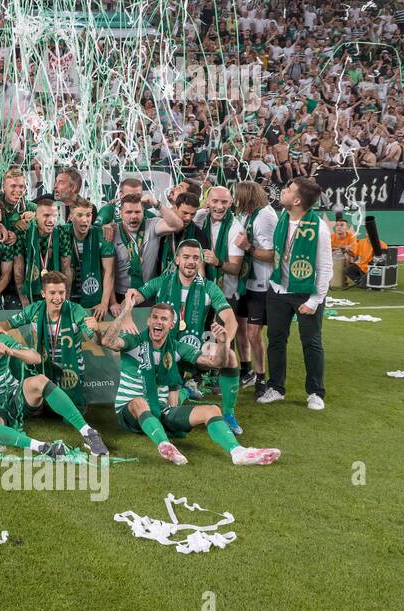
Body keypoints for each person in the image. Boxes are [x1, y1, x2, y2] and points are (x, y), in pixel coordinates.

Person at [103, 298, 280, 466]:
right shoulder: (133, 341)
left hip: (162, 410)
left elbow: (216, 363)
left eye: (164, 319)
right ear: (148, 321)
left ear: (171, 325)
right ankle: (165, 444)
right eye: (155, 317)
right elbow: (107, 340)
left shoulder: (177, 347)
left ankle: (238, 452)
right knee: (139, 402)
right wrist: (125, 312)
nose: (158, 322)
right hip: (129, 412)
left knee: (212, 409)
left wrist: (224, 343)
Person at [0, 304, 108, 456]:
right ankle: (43, 447)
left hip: (17, 398)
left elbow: (36, 358)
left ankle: (89, 432)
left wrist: (11, 351)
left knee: (39, 381)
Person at [128, 239, 243, 433]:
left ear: (200, 262)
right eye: (186, 257)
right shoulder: (162, 282)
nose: (191, 262)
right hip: (165, 348)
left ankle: (229, 414)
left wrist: (225, 341)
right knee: (163, 405)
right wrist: (128, 310)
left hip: (196, 347)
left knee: (230, 356)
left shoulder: (209, 287)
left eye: (196, 258)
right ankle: (184, 390)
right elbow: (134, 296)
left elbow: (231, 320)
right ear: (177, 260)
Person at [259, 176, 331, 410]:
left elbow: (325, 267)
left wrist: (315, 300)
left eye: (288, 190)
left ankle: (315, 392)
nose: (283, 191)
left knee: (311, 342)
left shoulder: (318, 227)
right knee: (276, 340)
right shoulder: (283, 219)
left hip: (305, 292)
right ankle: (276, 388)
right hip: (278, 288)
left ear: (297, 200)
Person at [0, 272, 95, 413]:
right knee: (33, 410)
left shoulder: (76, 311)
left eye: (61, 292)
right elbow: (8, 323)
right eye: (52, 293)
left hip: (70, 369)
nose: (58, 298)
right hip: (42, 365)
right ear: (43, 293)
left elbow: (96, 340)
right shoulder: (34, 309)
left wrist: (97, 332)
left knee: (70, 412)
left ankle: (73, 401)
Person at [232, 180, 277, 394]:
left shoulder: (266, 216)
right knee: (240, 328)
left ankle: (261, 377)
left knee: (253, 332)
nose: (235, 200)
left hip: (261, 283)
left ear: (246, 197)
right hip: (245, 281)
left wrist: (248, 247)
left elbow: (271, 255)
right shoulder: (249, 214)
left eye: (237, 196)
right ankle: (246, 370)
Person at [62, 198, 115, 320]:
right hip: (67, 297)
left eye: (88, 215)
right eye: (79, 215)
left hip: (94, 300)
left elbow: (109, 272)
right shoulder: (61, 233)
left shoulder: (102, 234)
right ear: (71, 216)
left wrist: (104, 303)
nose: (85, 220)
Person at [13, 195, 72, 305]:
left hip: (55, 291)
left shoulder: (62, 234)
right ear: (35, 216)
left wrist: (66, 300)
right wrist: (24, 299)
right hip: (29, 290)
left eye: (55, 216)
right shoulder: (24, 233)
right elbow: (18, 268)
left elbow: (66, 268)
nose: (51, 220)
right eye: (46, 215)